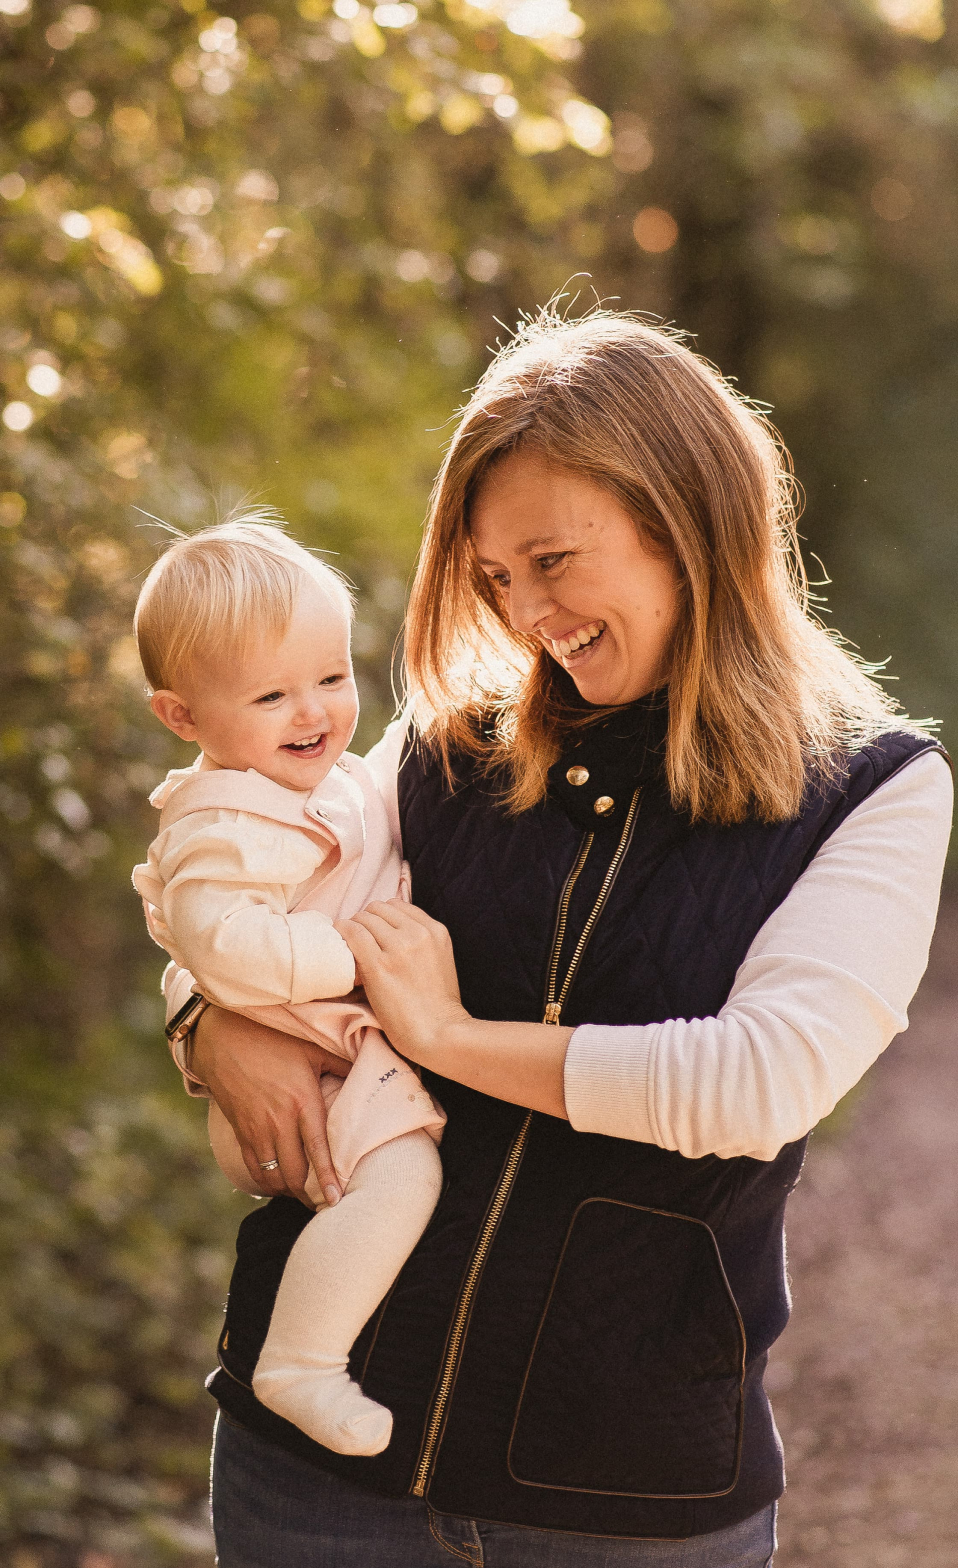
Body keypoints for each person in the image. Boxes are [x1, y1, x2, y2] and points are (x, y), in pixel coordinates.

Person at [167, 312, 952, 1567]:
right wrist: (205, 1022)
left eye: (551, 559)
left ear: (685, 517)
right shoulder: (446, 741)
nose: (525, 611)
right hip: (317, 1480)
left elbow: (754, 1083)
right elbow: (248, 877)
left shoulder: (873, 788)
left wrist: (445, 1035)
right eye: (493, 576)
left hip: (624, 1497)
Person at [131, 517, 444, 1458]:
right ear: (182, 717)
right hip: (305, 1073)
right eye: (271, 695)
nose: (312, 713)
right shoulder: (221, 824)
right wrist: (357, 956)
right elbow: (223, 947)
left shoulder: (324, 781)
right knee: (402, 1177)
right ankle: (302, 1361)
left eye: (331, 678)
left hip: (329, 1048)